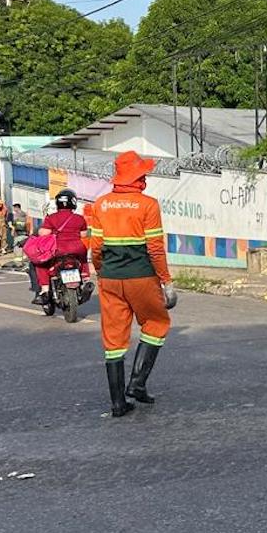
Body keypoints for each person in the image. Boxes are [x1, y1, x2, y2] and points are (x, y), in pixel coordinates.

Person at [91, 151, 176, 418]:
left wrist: (102, 273)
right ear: (138, 176)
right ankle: (137, 383)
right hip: (141, 277)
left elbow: (96, 248)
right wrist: (166, 281)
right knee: (156, 324)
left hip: (110, 278)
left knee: (113, 339)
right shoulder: (148, 205)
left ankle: (118, 403)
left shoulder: (100, 204)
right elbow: (155, 249)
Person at [31, 189, 92, 305]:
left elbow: (44, 233)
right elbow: (83, 234)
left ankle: (45, 290)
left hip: (58, 250)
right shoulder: (79, 218)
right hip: (77, 249)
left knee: (41, 263)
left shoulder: (51, 218)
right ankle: (86, 278)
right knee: (83, 259)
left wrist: (40, 232)